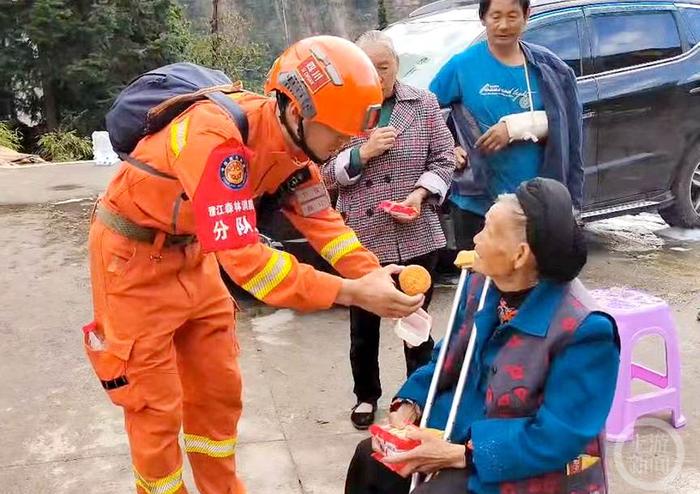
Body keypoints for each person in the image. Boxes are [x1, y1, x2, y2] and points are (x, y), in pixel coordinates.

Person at [85, 36, 425, 494]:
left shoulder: (295, 149)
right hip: (132, 263)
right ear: (298, 110)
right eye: (340, 132)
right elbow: (248, 264)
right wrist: (350, 293)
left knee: (217, 391)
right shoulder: (213, 137)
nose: (348, 142)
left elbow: (323, 220)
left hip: (193, 255)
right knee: (153, 406)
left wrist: (370, 273)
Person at [345, 178, 620, 494]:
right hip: (461, 429)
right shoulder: (482, 284)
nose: (475, 237)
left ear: (520, 255)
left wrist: (459, 455)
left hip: (526, 462)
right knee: (371, 460)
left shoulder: (586, 331)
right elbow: (447, 359)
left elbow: (558, 436)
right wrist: (411, 403)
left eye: (487, 230)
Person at [323, 31, 455, 430]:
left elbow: (445, 158)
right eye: (369, 67)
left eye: (385, 66)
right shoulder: (341, 108)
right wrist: (361, 154)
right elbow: (323, 174)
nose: (378, 75)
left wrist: (418, 195)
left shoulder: (424, 103)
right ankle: (366, 396)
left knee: (416, 322)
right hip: (361, 238)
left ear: (397, 64)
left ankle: (417, 396)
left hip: (417, 233)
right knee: (363, 327)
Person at [431, 0, 584, 255]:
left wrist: (512, 128)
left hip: (535, 205)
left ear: (526, 16)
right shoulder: (462, 66)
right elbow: (426, 111)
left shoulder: (550, 69)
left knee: (530, 284)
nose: (504, 25)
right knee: (479, 287)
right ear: (483, 18)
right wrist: (450, 146)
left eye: (513, 16)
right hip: (477, 204)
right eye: (496, 16)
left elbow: (571, 136)